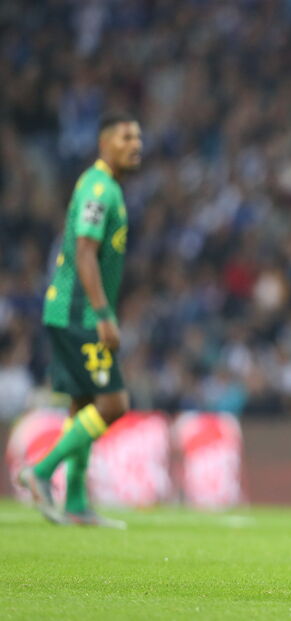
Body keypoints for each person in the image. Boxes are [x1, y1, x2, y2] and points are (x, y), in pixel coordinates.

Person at [18, 112, 143, 528]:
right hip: (79, 311)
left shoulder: (107, 187)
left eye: (138, 137)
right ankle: (39, 470)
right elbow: (85, 251)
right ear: (104, 142)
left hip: (72, 308)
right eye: (126, 136)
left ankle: (74, 502)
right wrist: (104, 315)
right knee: (113, 403)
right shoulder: (98, 188)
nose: (135, 144)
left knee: (83, 404)